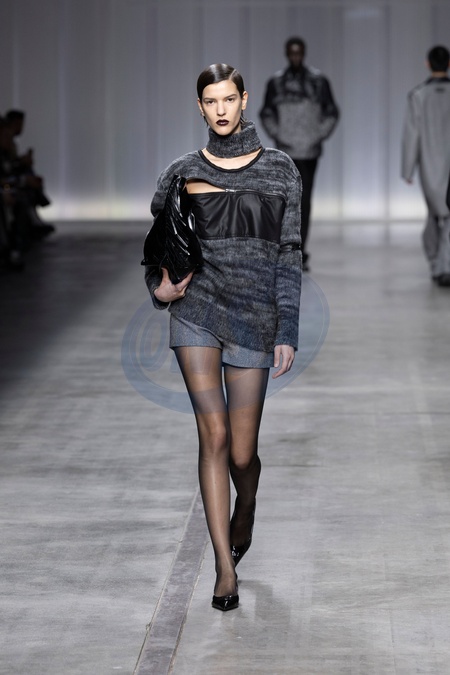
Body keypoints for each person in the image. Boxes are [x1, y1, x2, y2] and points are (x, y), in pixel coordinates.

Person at [144, 64, 302, 611]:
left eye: (228, 99)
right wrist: (160, 289)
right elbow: (158, 244)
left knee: (241, 452)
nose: (220, 109)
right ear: (200, 107)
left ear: (244, 100)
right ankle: (224, 568)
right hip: (197, 313)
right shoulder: (181, 171)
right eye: (210, 101)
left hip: (256, 315)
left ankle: (247, 503)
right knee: (211, 437)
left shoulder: (280, 169)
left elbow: (289, 253)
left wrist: (287, 328)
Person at [259, 36, 339, 271]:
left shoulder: (318, 81)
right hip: (285, 151)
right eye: (292, 53)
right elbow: (266, 113)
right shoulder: (276, 82)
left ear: (304, 53)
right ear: (287, 54)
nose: (296, 57)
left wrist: (317, 135)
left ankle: (300, 252)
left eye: (299, 52)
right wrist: (279, 134)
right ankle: (287, 250)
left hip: (309, 152)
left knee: (304, 202)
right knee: (283, 202)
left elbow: (332, 112)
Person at [401, 45, 450, 287]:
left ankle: (439, 265)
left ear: (428, 64)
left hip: (430, 165)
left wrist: (407, 169)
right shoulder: (418, 95)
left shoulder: (418, 95)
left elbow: (412, 135)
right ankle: (442, 264)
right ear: (448, 64)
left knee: (435, 214)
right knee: (445, 215)